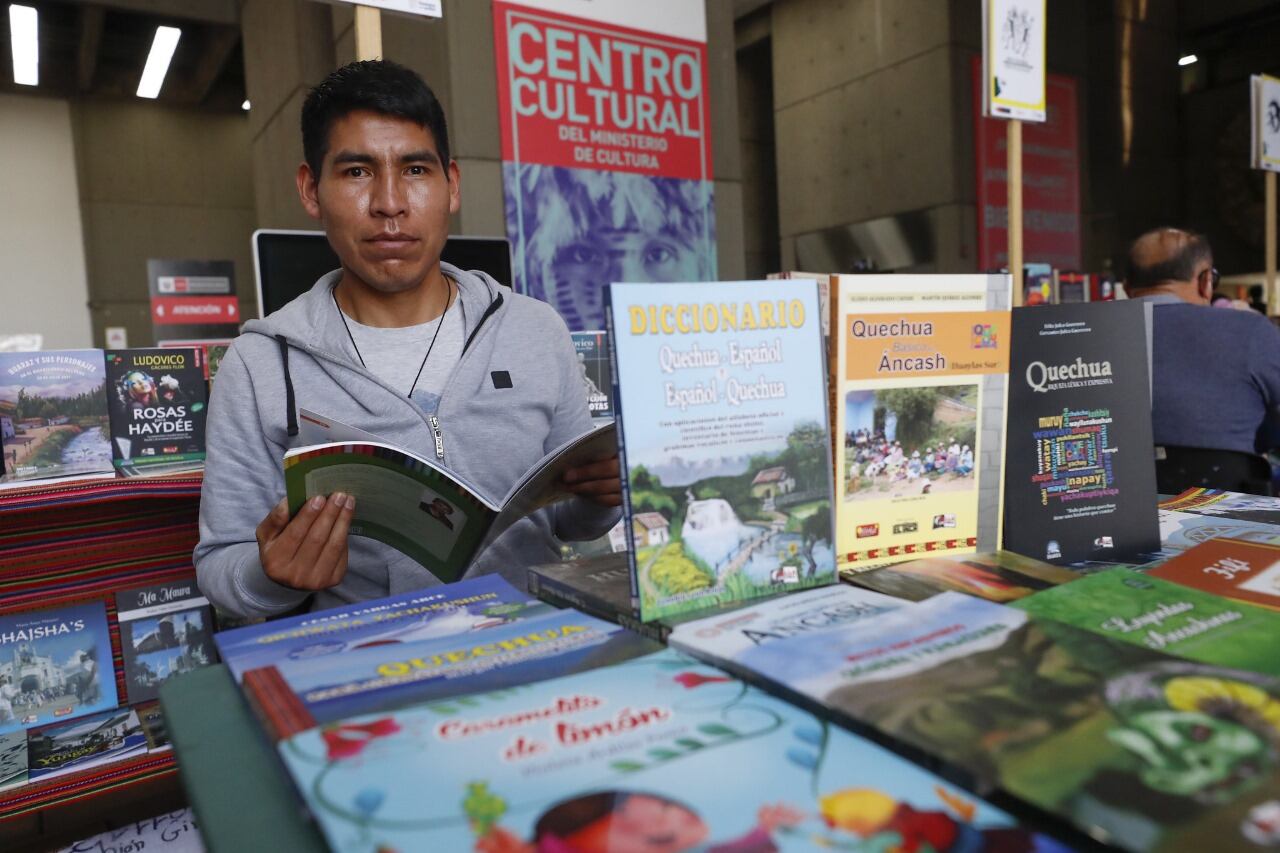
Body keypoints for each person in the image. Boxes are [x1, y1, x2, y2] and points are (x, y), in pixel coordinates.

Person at [194, 61, 620, 618]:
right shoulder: (260, 365)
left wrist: (601, 499)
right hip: (375, 667)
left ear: (452, 185)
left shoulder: (534, 329)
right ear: (310, 189)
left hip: (534, 644)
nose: (389, 203)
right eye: (356, 172)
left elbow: (570, 522)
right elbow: (220, 565)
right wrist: (272, 575)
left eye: (415, 169)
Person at [1124, 228, 1280, 458]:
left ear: (1127, 288)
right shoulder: (1252, 331)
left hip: (1114, 492)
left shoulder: (1083, 339)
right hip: (1233, 490)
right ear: (1206, 282)